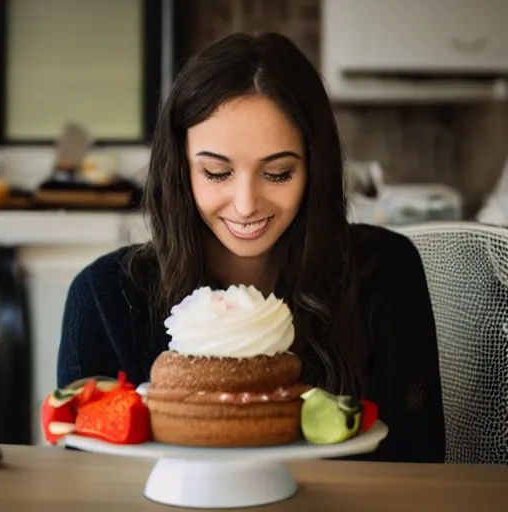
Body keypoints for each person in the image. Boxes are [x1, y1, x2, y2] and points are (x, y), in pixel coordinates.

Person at [56, 32, 445, 463]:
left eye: (278, 173)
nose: (245, 205)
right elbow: (85, 474)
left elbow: (417, 458)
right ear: (180, 169)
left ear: (315, 169)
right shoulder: (104, 296)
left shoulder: (385, 273)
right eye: (216, 173)